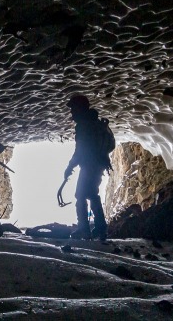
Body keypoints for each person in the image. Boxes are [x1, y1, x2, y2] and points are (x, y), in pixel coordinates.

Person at [64, 94, 110, 241]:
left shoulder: (84, 125)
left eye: (73, 109)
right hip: (99, 164)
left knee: (81, 195)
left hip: (90, 165)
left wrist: (70, 166)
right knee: (92, 194)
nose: (72, 113)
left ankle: (84, 228)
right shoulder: (94, 122)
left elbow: (80, 150)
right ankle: (101, 228)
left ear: (79, 108)